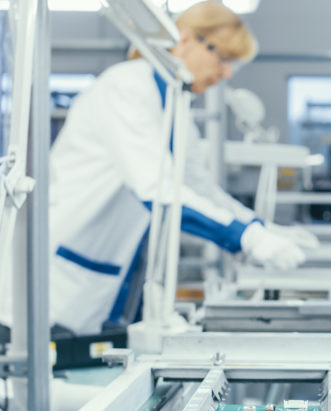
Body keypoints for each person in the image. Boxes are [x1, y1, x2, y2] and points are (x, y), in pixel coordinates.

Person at [49, 1, 315, 337]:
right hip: (60, 276)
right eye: (224, 58)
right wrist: (245, 237)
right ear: (187, 39)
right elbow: (156, 190)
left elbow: (199, 189)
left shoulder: (178, 107)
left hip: (107, 277)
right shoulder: (126, 87)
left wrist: (260, 228)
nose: (227, 74)